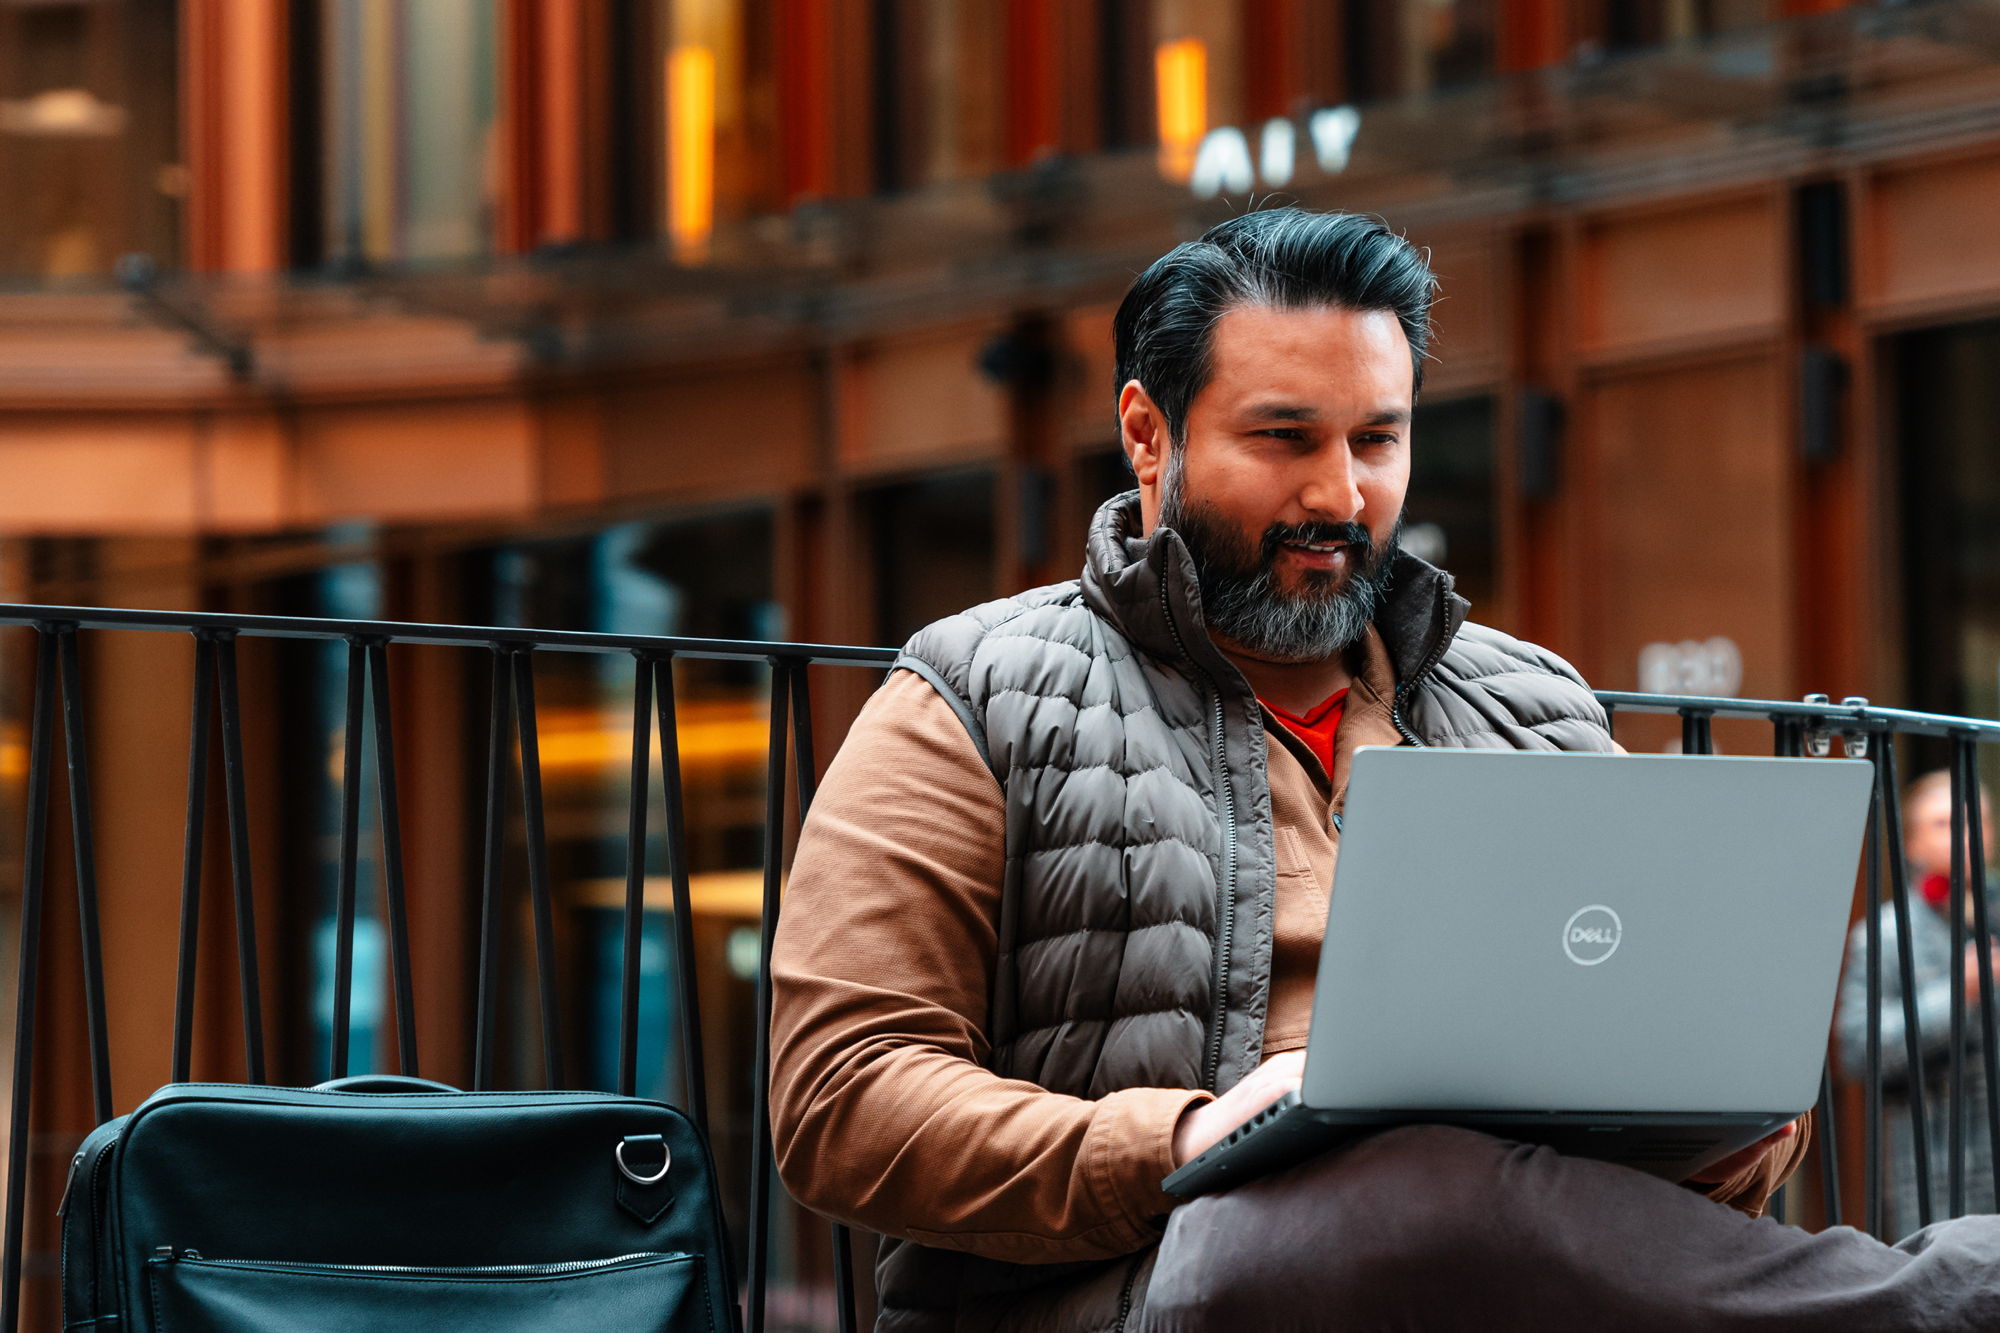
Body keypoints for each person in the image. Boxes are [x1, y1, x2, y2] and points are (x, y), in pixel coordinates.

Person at [769, 208, 2000, 1331]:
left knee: (1453, 1192)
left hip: (1499, 1261)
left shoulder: (1530, 706)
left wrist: (1724, 1120)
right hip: (1149, 1280)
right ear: (1147, 434)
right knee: (1406, 1189)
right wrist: (1189, 1137)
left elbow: (1688, 1161)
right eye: (1284, 438)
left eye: (1377, 438)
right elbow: (839, 1095)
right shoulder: (975, 693)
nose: (1340, 492)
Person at [1837, 768, 2000, 1237]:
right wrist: (1957, 995)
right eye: (1944, 823)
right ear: (1910, 844)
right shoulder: (1885, 936)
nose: (1965, 834)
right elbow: (1856, 1048)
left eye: (1977, 821)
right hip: (1935, 1166)